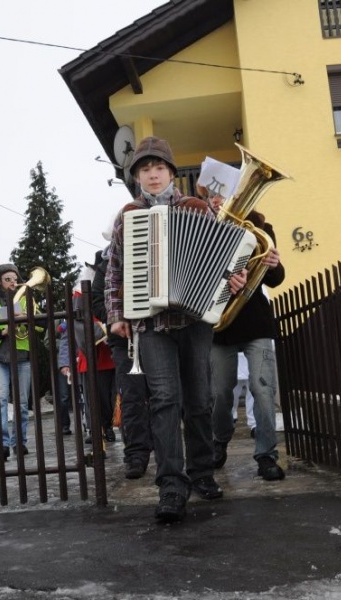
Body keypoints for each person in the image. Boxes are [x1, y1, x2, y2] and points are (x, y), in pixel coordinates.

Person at [105, 135, 223, 523]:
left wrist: (231, 280)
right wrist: (117, 314)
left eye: (158, 168)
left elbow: (223, 258)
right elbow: (114, 271)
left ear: (171, 172)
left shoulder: (197, 209)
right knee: (165, 400)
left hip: (194, 320)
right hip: (151, 324)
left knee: (199, 399)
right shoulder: (127, 216)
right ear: (136, 177)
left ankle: (202, 472)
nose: (152, 175)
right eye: (144, 169)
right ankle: (172, 485)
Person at [205, 197, 287, 481]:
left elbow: (275, 279)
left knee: (263, 389)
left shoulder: (261, 227)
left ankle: (266, 455)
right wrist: (224, 281)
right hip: (220, 327)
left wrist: (274, 265)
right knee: (219, 393)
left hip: (256, 324)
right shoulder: (207, 228)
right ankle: (220, 440)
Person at [91, 245, 154, 480]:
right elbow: (98, 299)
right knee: (132, 396)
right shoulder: (106, 260)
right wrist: (117, 316)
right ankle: (136, 454)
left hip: (154, 331)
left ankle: (162, 445)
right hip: (123, 337)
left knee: (163, 394)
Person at [0, 263, 44, 460]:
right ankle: (2, 445)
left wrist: (25, 317)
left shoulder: (27, 299)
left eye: (15, 279)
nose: (12, 282)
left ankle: (19, 442)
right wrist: (1, 331)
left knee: (22, 404)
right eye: (8, 279)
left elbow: (43, 325)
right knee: (0, 402)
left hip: (22, 357)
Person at [60, 267, 116, 450]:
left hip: (111, 355)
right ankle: (96, 432)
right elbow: (78, 325)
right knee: (92, 401)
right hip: (91, 355)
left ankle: (107, 426)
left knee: (109, 399)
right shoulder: (79, 295)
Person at [54, 319, 73, 436]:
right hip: (63, 362)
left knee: (82, 396)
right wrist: (63, 344)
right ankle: (64, 425)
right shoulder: (57, 319)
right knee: (64, 396)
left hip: (79, 359)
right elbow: (48, 340)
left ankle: (88, 426)